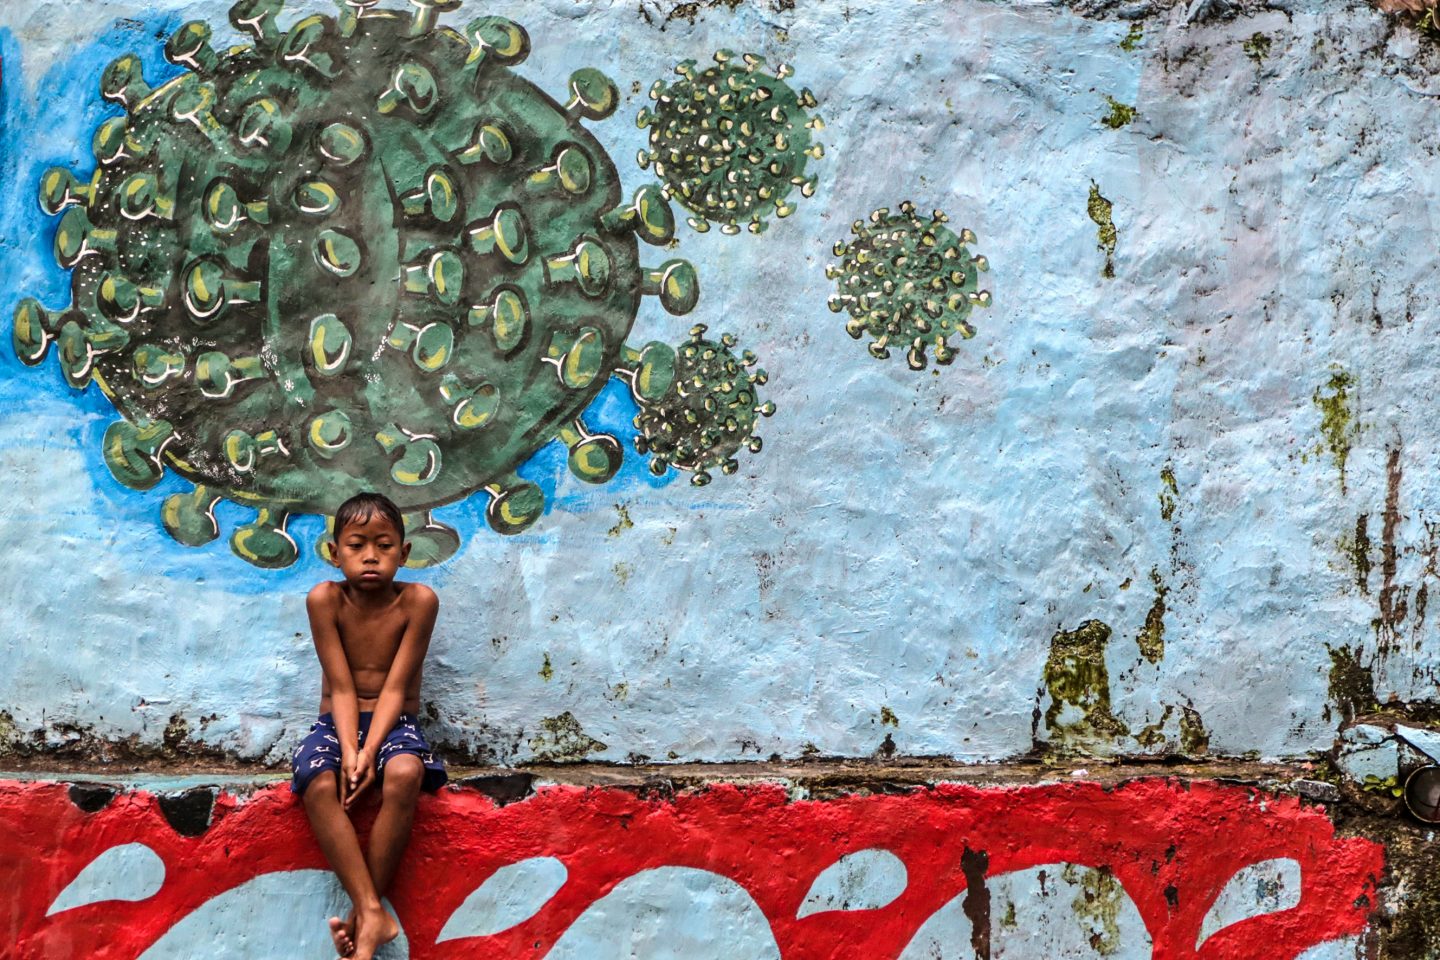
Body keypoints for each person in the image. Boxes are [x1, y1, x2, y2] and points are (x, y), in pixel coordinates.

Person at [289, 492, 447, 959]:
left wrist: (370, 751)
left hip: (394, 722)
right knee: (318, 783)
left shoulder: (418, 602)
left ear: (404, 553)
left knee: (403, 773)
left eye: (383, 545)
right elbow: (340, 689)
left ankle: (365, 917)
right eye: (357, 545)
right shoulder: (325, 600)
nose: (371, 556)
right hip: (336, 723)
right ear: (335, 553)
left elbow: (396, 692)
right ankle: (371, 911)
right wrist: (351, 751)